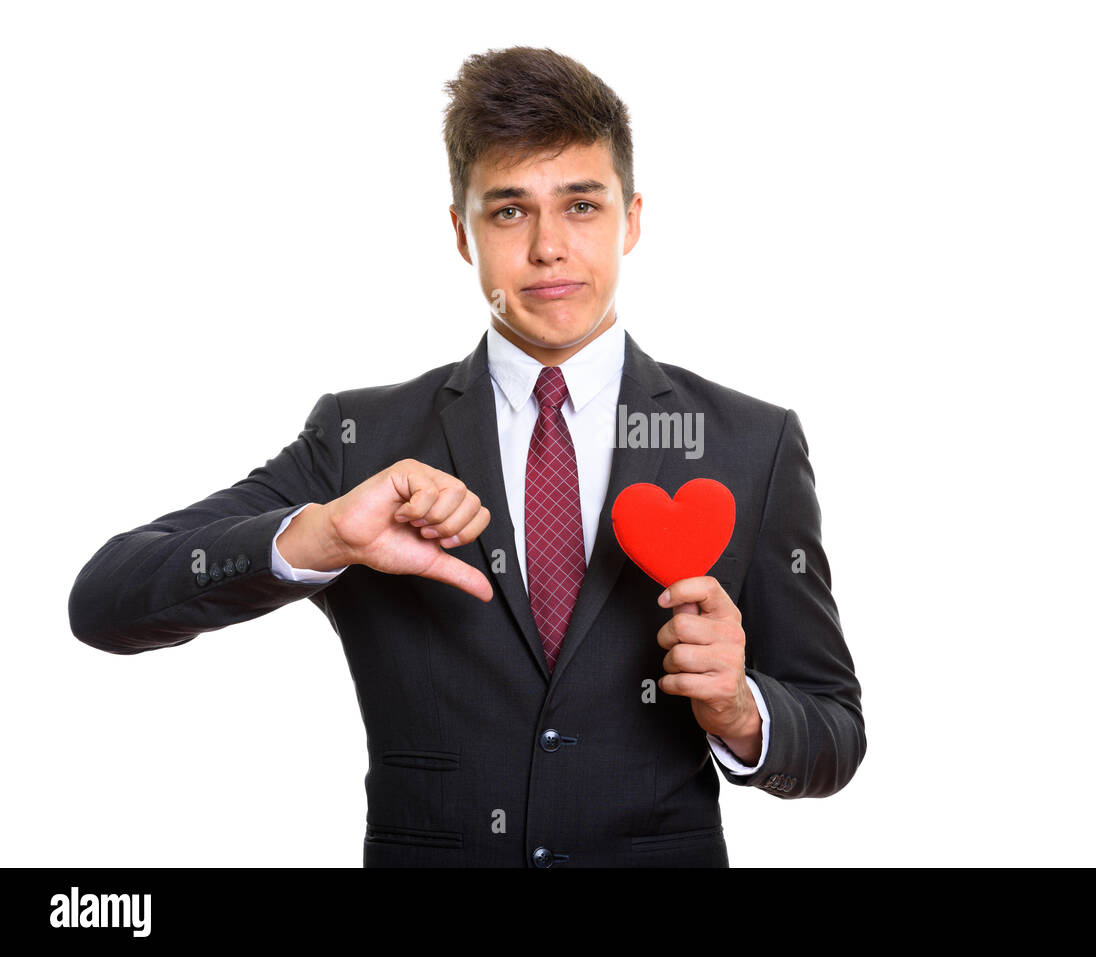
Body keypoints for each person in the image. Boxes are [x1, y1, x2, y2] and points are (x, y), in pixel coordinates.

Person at [67, 45, 866, 867]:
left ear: (632, 218)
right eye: (510, 210)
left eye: (581, 206)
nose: (550, 247)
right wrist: (318, 539)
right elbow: (104, 601)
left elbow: (836, 730)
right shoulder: (362, 441)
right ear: (461, 231)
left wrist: (744, 712)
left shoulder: (750, 442)